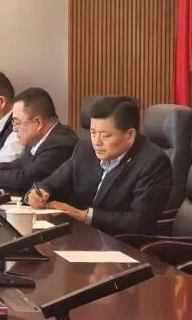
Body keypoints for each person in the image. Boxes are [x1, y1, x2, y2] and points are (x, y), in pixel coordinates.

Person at [29, 95, 172, 236]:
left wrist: (84, 216)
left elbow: (139, 222)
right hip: (80, 236)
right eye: (92, 133)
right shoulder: (84, 150)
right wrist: (40, 193)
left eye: (105, 135)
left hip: (121, 243)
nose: (96, 142)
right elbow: (52, 183)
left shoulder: (152, 162)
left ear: (129, 135)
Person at [0, 87, 77, 193]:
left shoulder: (60, 143)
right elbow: (17, 165)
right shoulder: (39, 139)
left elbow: (26, 178)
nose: (14, 129)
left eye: (17, 123)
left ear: (38, 122)